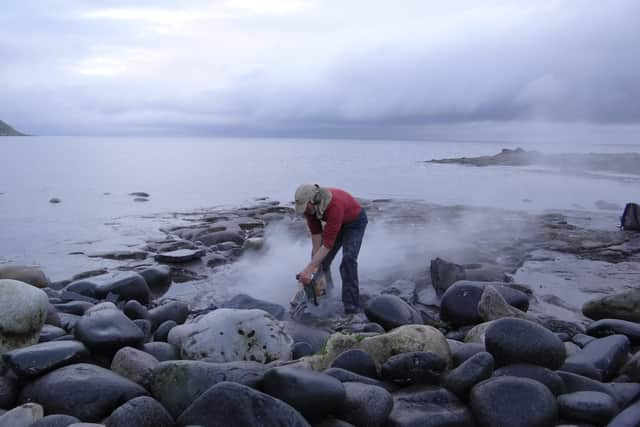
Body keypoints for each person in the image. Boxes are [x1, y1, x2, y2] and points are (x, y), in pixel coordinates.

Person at [294, 184, 368, 314]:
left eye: (305, 206)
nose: (304, 210)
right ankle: (326, 292)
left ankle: (351, 306)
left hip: (355, 223)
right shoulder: (310, 211)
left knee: (348, 259)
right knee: (321, 261)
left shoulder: (334, 205)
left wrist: (308, 269)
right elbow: (316, 241)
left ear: (313, 200)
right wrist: (312, 269)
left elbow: (327, 244)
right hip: (338, 223)